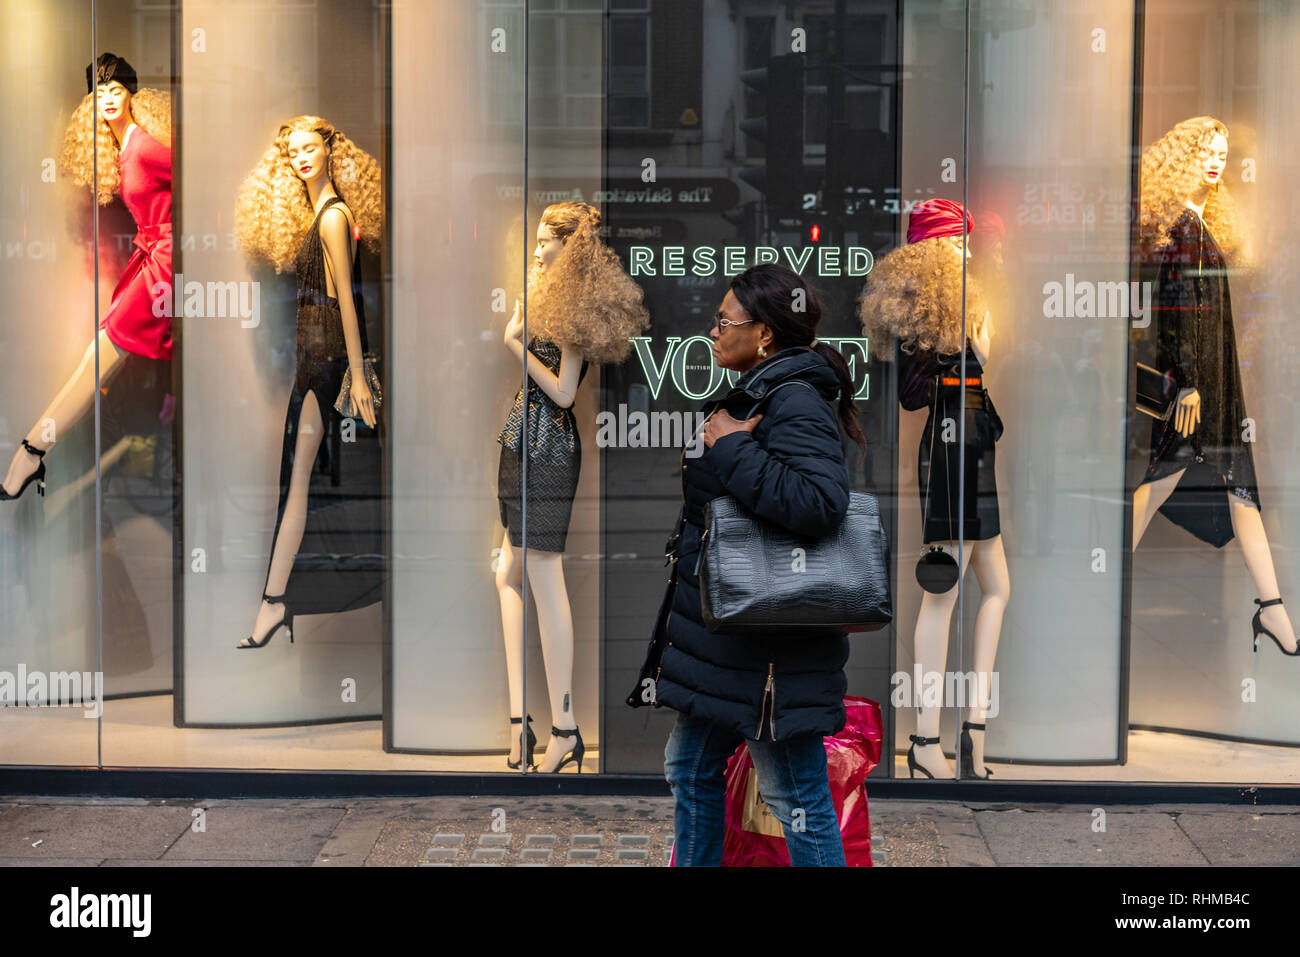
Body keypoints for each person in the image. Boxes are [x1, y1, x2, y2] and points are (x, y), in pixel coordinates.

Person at [652, 263, 865, 866]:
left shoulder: (794, 399)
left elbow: (819, 504)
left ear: (764, 332)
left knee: (794, 792)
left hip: (770, 649)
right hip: (729, 640)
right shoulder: (762, 390)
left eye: (725, 321)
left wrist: (734, 445)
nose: (712, 332)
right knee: (689, 767)